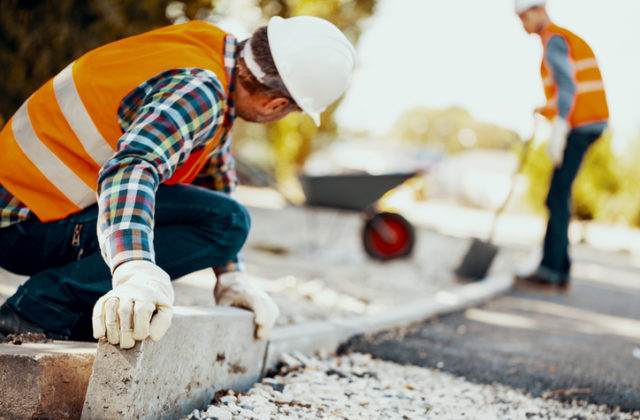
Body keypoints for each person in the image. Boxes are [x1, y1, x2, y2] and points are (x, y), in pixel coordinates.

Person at [0, 16, 356, 348]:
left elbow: (215, 182)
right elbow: (132, 168)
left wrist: (232, 278)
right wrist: (134, 268)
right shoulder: (201, 91)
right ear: (275, 105)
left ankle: (74, 312)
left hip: (25, 209)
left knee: (225, 217)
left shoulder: (207, 52)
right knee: (229, 223)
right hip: (24, 225)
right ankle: (39, 310)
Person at [513, 0, 609, 291]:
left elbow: (568, 86)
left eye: (523, 17)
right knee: (559, 193)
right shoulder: (561, 38)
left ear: (538, 11)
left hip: (580, 125)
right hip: (588, 122)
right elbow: (566, 90)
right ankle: (560, 269)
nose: (523, 24)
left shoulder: (554, 40)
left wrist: (561, 126)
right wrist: (548, 109)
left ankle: (551, 271)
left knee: (556, 196)